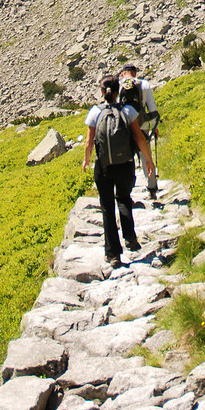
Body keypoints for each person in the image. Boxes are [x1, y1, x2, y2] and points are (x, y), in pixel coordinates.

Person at [82, 74, 155, 269]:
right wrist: (149, 160)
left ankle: (113, 254)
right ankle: (130, 238)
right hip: (126, 163)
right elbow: (139, 138)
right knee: (124, 198)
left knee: (107, 208)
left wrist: (86, 160)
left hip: (103, 166)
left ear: (101, 92)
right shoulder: (128, 111)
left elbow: (89, 142)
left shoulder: (95, 112)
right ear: (118, 91)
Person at [120, 63, 161, 200]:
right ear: (135, 73)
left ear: (123, 73)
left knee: (126, 160)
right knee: (146, 157)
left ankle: (126, 191)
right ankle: (152, 188)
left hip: (124, 127)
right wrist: (154, 126)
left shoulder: (119, 85)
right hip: (142, 124)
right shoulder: (144, 84)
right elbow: (152, 108)